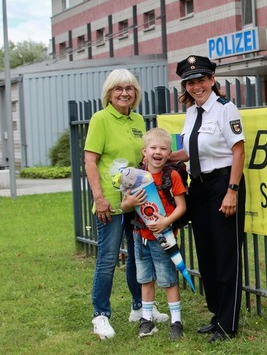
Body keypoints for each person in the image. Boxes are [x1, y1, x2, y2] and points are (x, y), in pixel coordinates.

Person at [84, 69, 167, 340]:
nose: (124, 93)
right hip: (112, 204)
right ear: (109, 92)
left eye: (129, 88)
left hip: (138, 202)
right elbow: (90, 161)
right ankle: (101, 315)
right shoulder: (101, 119)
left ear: (136, 93)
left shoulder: (138, 120)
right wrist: (99, 198)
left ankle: (139, 307)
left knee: (137, 257)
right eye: (118, 88)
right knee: (108, 259)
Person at [170, 55, 246, 342]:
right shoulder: (192, 113)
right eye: (190, 82)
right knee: (207, 254)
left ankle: (228, 323)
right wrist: (166, 157)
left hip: (223, 183)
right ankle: (216, 315)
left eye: (201, 80)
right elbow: (190, 152)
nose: (196, 86)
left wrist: (232, 191)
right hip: (198, 186)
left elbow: (238, 151)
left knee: (226, 255)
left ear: (212, 80)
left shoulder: (226, 109)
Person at [120, 128, 187, 340]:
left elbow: (181, 206)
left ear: (169, 154)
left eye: (163, 148)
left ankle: (176, 322)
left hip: (164, 238)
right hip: (141, 238)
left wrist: (166, 221)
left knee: (168, 280)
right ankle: (146, 320)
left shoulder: (172, 175)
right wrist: (129, 203)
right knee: (145, 279)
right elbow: (124, 206)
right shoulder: (134, 177)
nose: (158, 152)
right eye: (153, 148)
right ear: (144, 151)